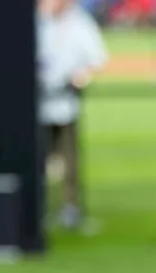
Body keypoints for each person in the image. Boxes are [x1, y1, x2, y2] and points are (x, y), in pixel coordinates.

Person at [37, 0, 107, 230]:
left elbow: (97, 59)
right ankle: (37, 206)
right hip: (36, 100)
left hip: (65, 100)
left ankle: (70, 207)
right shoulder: (38, 20)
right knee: (37, 156)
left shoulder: (80, 24)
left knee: (69, 157)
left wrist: (79, 77)